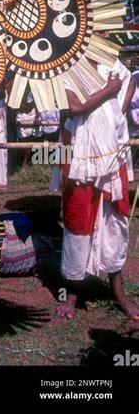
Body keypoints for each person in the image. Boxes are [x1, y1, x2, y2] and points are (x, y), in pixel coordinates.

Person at [56, 59, 138, 321]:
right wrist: (108, 90)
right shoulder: (67, 67)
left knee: (115, 219)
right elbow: (74, 108)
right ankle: (71, 294)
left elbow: (130, 83)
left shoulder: (114, 65)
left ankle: (119, 292)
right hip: (78, 153)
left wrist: (114, 114)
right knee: (78, 220)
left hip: (112, 152)